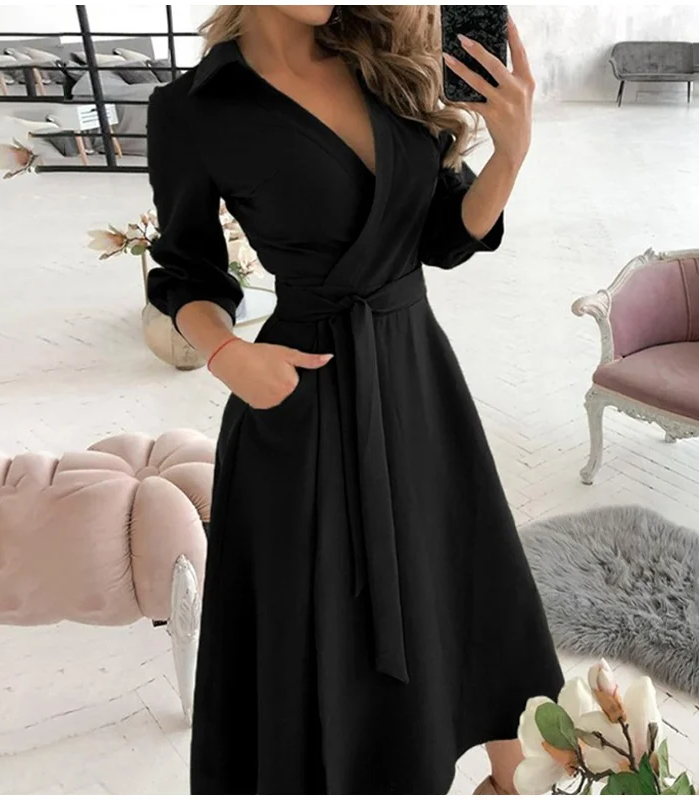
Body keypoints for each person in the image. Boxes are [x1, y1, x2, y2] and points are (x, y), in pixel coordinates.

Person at [146, 5, 563, 795]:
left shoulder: (379, 63)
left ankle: (514, 780)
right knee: (333, 639)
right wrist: (228, 355)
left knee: (472, 589)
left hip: (419, 381)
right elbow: (185, 272)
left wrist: (510, 157)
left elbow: (443, 236)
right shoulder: (193, 110)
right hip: (300, 404)